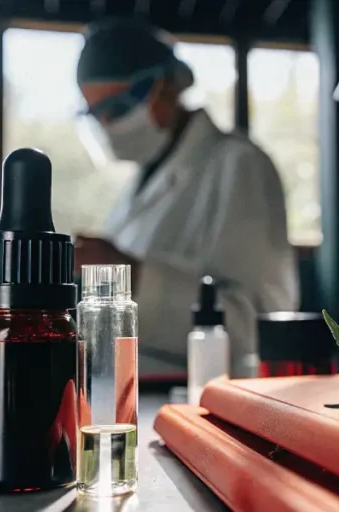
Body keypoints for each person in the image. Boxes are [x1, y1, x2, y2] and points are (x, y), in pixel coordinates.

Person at [74, 19, 299, 378]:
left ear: (165, 89)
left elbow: (259, 327)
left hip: (204, 399)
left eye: (115, 109)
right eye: (94, 114)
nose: (105, 125)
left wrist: (133, 280)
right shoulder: (139, 184)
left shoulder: (238, 165)